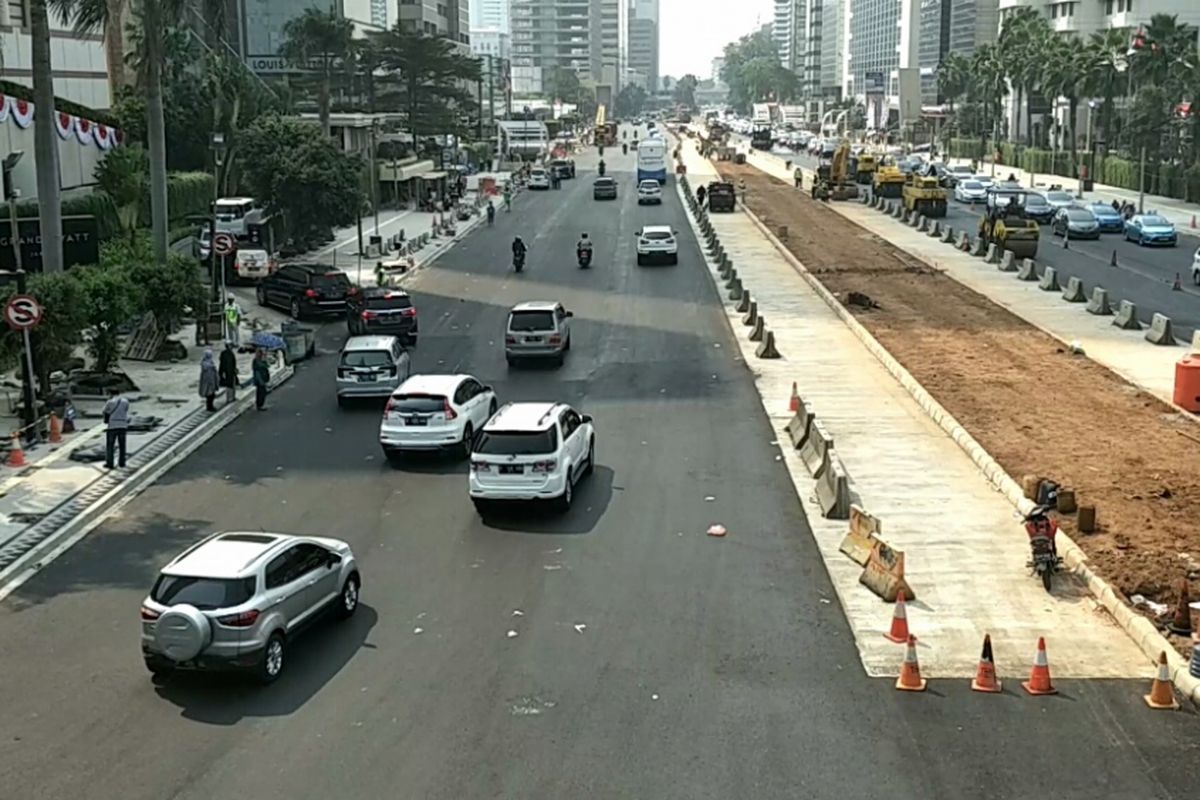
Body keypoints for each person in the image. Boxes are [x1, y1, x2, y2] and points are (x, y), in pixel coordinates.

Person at [102, 392, 130, 469]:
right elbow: (126, 410)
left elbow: (104, 411)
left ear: (111, 394)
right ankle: (122, 462)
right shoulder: (125, 401)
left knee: (110, 445)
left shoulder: (110, 402)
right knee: (122, 445)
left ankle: (110, 463)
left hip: (112, 426)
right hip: (123, 425)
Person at [199, 347, 219, 412]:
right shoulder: (207, 365)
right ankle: (209, 407)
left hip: (210, 382)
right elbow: (209, 375)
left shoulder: (209, 362)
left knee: (211, 395)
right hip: (209, 383)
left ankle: (210, 406)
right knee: (210, 395)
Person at [219, 341, 238, 406]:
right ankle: (230, 398)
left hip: (229, 371)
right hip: (229, 372)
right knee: (230, 385)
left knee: (231, 385)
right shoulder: (228, 354)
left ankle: (232, 397)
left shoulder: (225, 353)